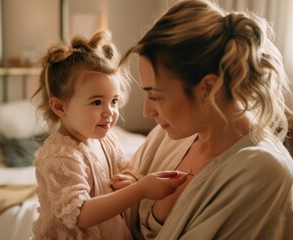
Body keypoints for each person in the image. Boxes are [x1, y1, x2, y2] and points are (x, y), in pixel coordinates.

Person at [116, 0, 293, 239]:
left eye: (156, 95)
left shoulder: (264, 172)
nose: (147, 111)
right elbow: (122, 191)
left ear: (209, 88)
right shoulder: (172, 133)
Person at [31, 30, 188, 240]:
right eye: (97, 102)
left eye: (114, 101)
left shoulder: (106, 139)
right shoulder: (60, 156)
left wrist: (131, 178)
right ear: (60, 107)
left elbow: (125, 168)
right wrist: (140, 190)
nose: (110, 112)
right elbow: (79, 214)